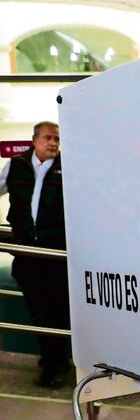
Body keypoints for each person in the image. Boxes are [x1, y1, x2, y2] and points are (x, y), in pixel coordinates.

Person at [5, 121, 71, 387]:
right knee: (39, 312)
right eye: (48, 138)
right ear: (34, 140)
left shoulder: (68, 168)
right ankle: (53, 363)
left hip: (55, 256)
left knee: (57, 311)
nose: (53, 143)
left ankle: (55, 365)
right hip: (27, 257)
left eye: (57, 139)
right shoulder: (16, 166)